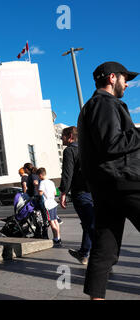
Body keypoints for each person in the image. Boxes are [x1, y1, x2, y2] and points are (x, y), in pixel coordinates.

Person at [78, 61, 140, 300]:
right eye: (125, 79)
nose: (127, 84)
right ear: (112, 78)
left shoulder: (91, 107)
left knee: (105, 250)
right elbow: (111, 143)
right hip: (124, 183)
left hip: (105, 188)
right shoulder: (104, 103)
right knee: (104, 249)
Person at [59, 126, 95, 265]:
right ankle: (84, 253)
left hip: (80, 192)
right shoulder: (87, 149)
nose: (61, 138)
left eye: (62, 135)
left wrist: (63, 192)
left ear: (70, 136)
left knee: (90, 225)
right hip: (93, 192)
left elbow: (67, 174)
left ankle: (103, 259)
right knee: (88, 223)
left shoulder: (69, 151)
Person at [38, 168, 62, 248]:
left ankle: (56, 239)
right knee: (55, 221)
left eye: (38, 176)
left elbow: (40, 193)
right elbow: (55, 193)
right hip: (53, 202)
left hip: (47, 204)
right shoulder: (51, 182)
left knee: (51, 222)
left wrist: (37, 187)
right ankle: (58, 237)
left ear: (41, 175)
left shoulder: (42, 182)